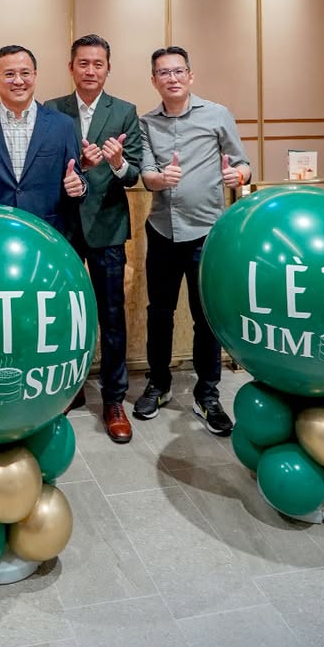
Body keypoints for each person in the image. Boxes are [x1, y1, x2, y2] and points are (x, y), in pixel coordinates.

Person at [135, 45, 251, 436]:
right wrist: (158, 180)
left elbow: (241, 163)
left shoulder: (217, 115)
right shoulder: (145, 123)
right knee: (159, 312)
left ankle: (208, 394)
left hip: (207, 232)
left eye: (178, 71)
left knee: (206, 318)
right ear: (154, 80)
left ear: (190, 75)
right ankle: (159, 383)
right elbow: (146, 173)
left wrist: (241, 176)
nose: (172, 78)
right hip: (163, 231)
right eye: (163, 73)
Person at [46, 34, 142, 443]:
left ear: (107, 68)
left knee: (111, 315)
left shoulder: (124, 112)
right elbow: (45, 168)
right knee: (66, 315)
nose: (90, 70)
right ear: (71, 68)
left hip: (106, 225)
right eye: (82, 63)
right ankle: (69, 390)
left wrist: (118, 163)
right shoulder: (51, 111)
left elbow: (135, 173)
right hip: (64, 227)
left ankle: (115, 399)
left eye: (97, 64)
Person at [0, 44, 86, 233]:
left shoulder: (62, 125)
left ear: (35, 76)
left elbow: (75, 177)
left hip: (48, 233)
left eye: (25, 73)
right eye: (9, 74)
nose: (18, 81)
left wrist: (79, 186)